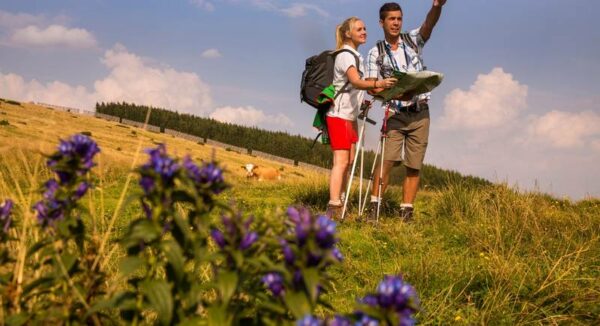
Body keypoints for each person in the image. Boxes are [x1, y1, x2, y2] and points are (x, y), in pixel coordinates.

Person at [366, 1, 446, 221]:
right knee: (387, 161)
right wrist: (389, 88)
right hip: (395, 113)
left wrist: (437, 6)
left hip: (420, 113)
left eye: (399, 19)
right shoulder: (376, 53)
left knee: (414, 164)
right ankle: (375, 208)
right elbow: (372, 87)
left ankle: (406, 212)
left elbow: (429, 25)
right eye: (391, 19)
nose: (396, 23)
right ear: (381, 22)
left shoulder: (412, 40)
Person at [326, 17, 397, 219]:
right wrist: (381, 84)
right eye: (359, 29)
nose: (364, 31)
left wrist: (378, 89)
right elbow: (356, 82)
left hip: (350, 116)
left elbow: (361, 85)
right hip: (339, 115)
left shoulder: (356, 55)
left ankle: (341, 200)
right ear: (348, 33)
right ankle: (333, 206)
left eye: (365, 28)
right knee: (340, 161)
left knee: (348, 161)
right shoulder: (346, 55)